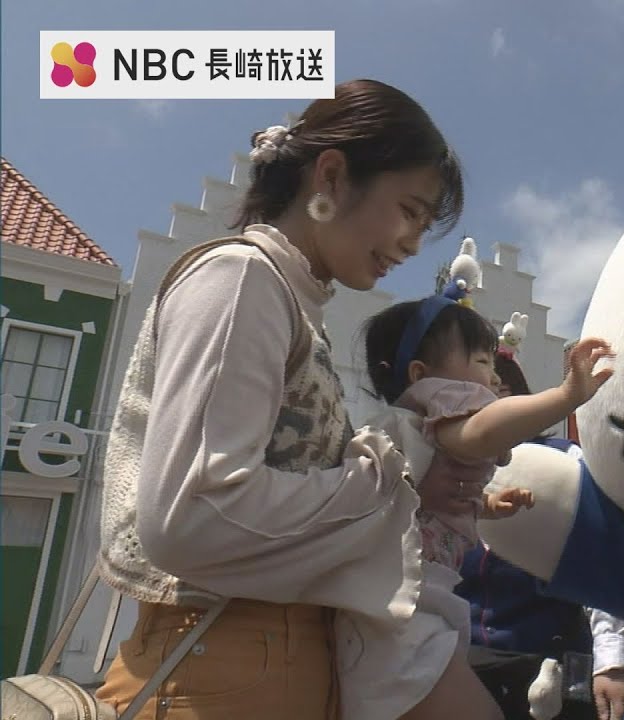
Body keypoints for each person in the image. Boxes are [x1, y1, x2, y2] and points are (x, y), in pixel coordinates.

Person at [95, 78, 478, 719]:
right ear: (331, 176)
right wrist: (383, 482)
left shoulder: (290, 301)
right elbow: (194, 515)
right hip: (222, 666)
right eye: (410, 211)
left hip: (261, 662)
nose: (413, 243)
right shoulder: (242, 277)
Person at [348, 295, 615, 720]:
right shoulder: (443, 416)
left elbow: (433, 504)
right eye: (481, 362)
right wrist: (567, 395)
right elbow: (481, 433)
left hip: (405, 599)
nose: (493, 377)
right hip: (409, 603)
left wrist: (487, 505)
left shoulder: (412, 433)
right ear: (421, 375)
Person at [458, 349, 624, 720]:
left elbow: (602, 558)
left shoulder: (565, 460)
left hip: (554, 665)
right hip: (463, 668)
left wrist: (612, 662)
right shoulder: (440, 473)